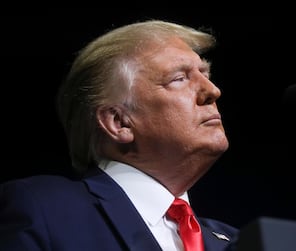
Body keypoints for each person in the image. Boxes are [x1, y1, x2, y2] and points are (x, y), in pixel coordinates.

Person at [0, 19, 239, 250]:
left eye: (205, 76)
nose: (213, 91)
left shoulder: (235, 241)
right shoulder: (46, 210)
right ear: (119, 122)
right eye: (179, 79)